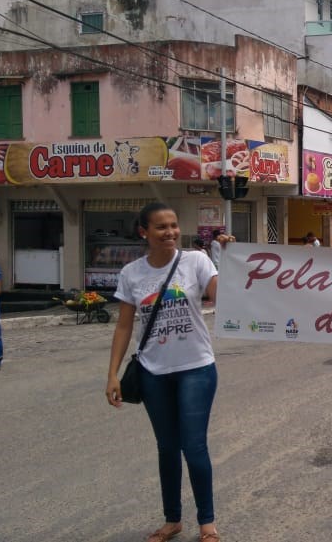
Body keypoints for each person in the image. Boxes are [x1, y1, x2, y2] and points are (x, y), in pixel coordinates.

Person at [105, 202, 221, 542]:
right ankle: (172, 520)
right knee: (167, 447)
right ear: (144, 232)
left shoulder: (196, 261)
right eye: (161, 227)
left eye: (173, 225)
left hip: (196, 368)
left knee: (194, 446)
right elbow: (124, 328)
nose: (170, 232)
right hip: (153, 371)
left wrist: (230, 262)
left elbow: (222, 296)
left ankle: (207, 524)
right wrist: (112, 373)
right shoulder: (131, 274)